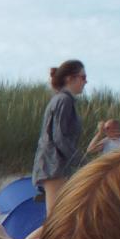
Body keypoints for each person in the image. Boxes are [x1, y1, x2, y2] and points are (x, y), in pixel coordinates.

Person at [31, 60, 87, 216]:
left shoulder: (62, 99)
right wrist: (81, 161)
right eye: (83, 77)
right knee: (56, 218)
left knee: (57, 217)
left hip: (55, 165)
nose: (86, 82)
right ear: (70, 78)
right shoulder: (64, 100)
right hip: (53, 165)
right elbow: (59, 137)